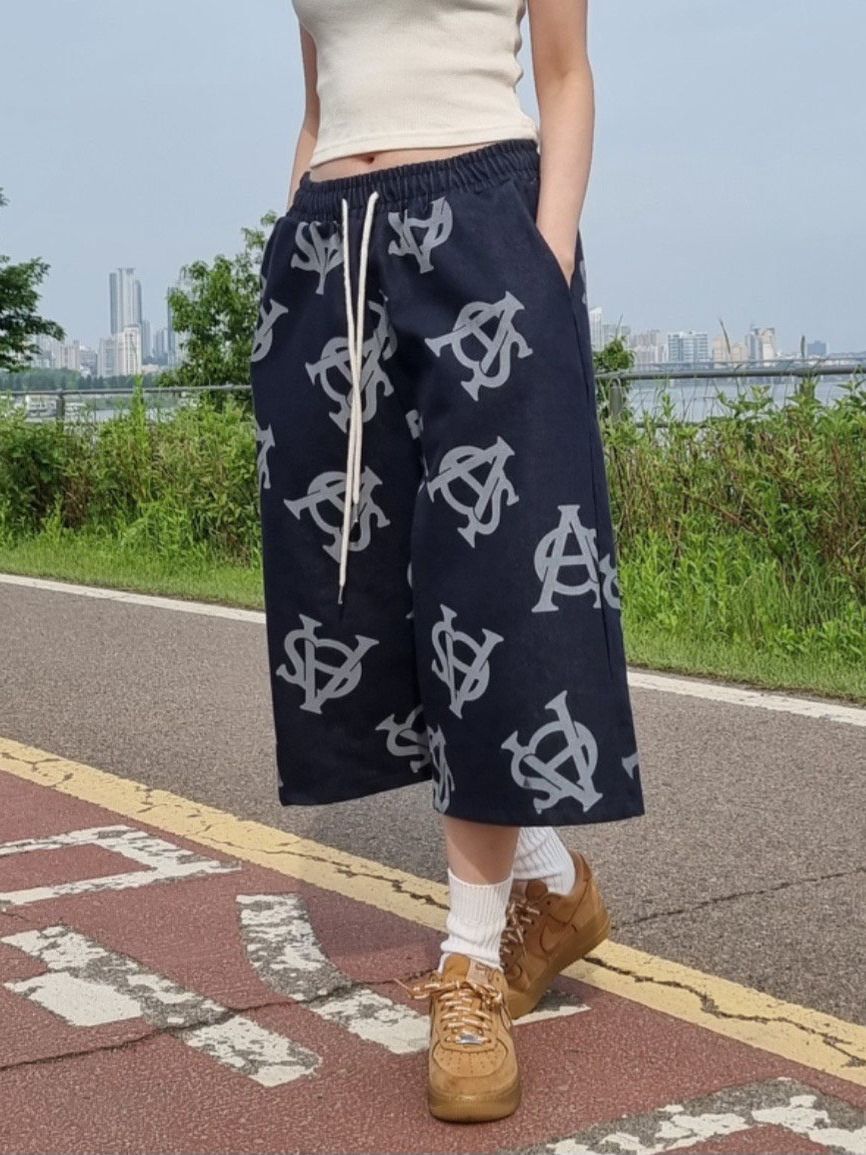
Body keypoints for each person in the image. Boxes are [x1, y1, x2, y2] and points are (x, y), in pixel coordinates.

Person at [249, 0, 646, 1124]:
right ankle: (550, 885)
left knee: (493, 585)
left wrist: (543, 265)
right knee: (354, 590)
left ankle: (470, 963)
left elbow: (564, 77)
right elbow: (321, 100)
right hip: (330, 248)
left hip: (484, 230)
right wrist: (294, 246)